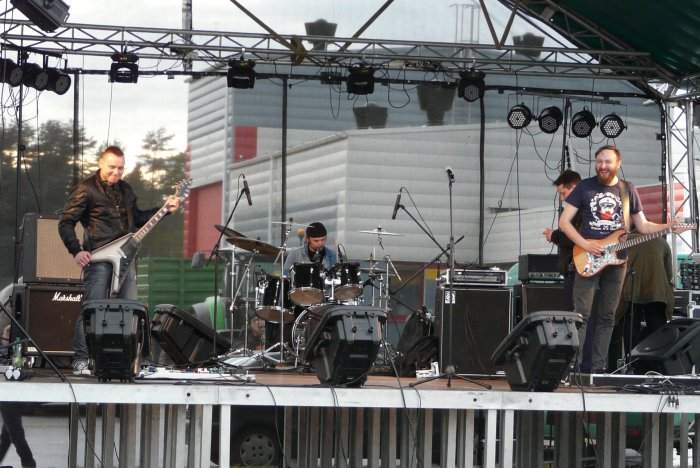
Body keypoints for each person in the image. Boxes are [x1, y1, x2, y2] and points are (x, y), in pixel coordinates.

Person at [558, 145, 685, 373]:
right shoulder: (585, 187)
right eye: (599, 161)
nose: (602, 166)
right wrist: (586, 244)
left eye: (607, 162)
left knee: (608, 316)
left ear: (618, 164)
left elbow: (643, 226)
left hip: (617, 261)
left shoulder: (627, 190)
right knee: (581, 315)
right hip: (588, 256)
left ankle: (597, 369)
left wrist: (668, 226)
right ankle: (572, 369)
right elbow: (564, 223)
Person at [58, 146, 180, 375]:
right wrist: (76, 250)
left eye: (120, 168)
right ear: (100, 163)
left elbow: (139, 219)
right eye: (112, 167)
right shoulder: (86, 189)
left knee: (130, 309)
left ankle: (131, 362)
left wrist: (165, 210)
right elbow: (65, 222)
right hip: (100, 257)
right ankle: (81, 360)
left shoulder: (126, 190)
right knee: (92, 309)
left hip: (125, 257)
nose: (116, 172)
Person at [610, 232, 674, 365]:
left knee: (631, 327)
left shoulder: (624, 242)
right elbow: (669, 273)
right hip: (656, 292)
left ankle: (631, 363)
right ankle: (658, 365)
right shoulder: (661, 242)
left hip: (631, 291)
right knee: (657, 329)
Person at [543, 169, 581, 311]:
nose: (562, 198)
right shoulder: (572, 211)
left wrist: (554, 236)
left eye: (563, 193)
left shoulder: (582, 210)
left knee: (574, 312)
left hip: (577, 268)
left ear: (574, 188)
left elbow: (574, 237)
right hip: (571, 269)